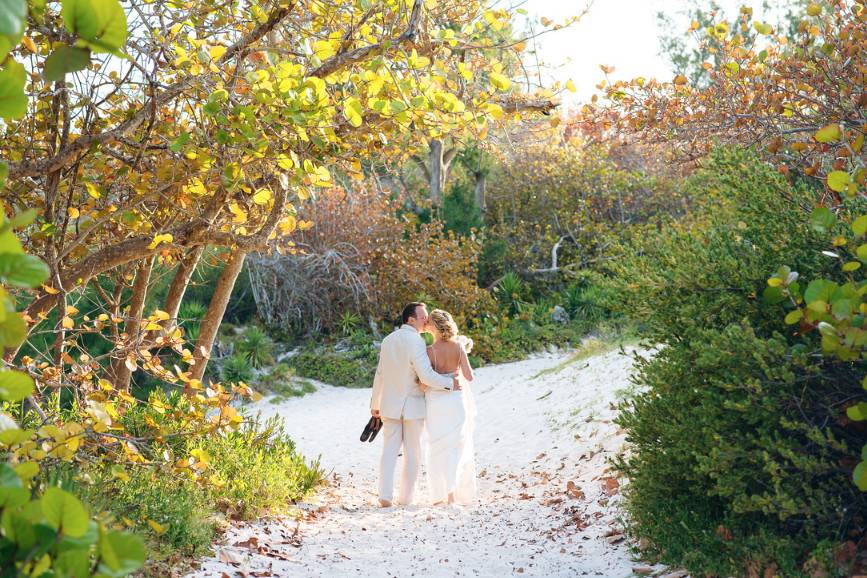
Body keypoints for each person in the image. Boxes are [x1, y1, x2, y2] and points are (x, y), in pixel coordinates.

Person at [369, 302, 459, 507]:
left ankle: (385, 495)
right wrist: (449, 383)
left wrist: (375, 403)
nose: (426, 321)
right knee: (413, 453)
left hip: (389, 405)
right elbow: (425, 375)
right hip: (412, 406)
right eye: (422, 317)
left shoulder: (387, 340)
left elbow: (380, 374)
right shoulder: (416, 341)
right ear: (410, 319)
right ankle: (405, 498)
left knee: (389, 451)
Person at [423, 309, 477, 505]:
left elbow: (424, 380)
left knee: (437, 447)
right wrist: (455, 375)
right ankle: (452, 493)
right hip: (456, 400)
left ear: (433, 326)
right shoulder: (459, 347)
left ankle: (438, 495)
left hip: (436, 402)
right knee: (456, 447)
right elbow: (469, 376)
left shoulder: (429, 351)